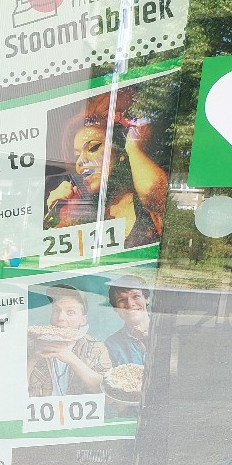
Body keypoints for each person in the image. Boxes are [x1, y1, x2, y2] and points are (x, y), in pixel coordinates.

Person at [43, 94, 167, 249]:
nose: (80, 162)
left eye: (93, 148)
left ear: (120, 152)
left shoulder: (145, 209)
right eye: (76, 156)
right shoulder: (83, 212)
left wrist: (133, 148)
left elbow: (156, 196)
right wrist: (56, 216)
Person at [27, 285, 110, 397]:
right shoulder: (31, 345)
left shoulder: (96, 348)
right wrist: (33, 358)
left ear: (83, 320)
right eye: (56, 310)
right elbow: (11, 390)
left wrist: (71, 359)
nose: (60, 317)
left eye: (70, 312)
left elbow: (107, 391)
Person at [104, 274, 151, 366]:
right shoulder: (111, 344)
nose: (130, 304)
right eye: (122, 300)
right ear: (115, 308)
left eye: (136, 296)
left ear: (147, 299)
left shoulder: (167, 331)